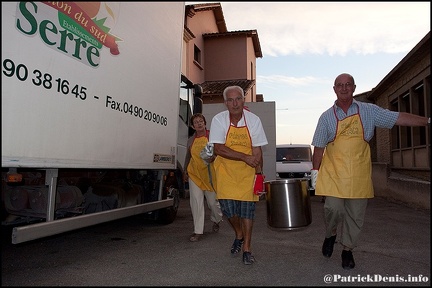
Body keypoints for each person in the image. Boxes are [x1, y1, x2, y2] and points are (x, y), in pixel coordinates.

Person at [311, 73, 429, 270]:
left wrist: (427, 121)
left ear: (354, 87)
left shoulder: (369, 111)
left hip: (359, 173)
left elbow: (397, 117)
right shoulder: (326, 117)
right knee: (333, 208)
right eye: (340, 85)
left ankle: (347, 250)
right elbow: (319, 148)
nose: (344, 88)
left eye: (348, 84)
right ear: (334, 89)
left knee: (355, 215)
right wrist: (315, 173)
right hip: (333, 174)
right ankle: (330, 234)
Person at [209, 85, 268, 265]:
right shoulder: (219, 120)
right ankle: (239, 233)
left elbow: (257, 150)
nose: (235, 103)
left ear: (244, 100)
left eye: (238, 99)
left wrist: (259, 175)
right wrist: (244, 157)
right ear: (225, 103)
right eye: (231, 100)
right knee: (228, 210)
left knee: (247, 212)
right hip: (225, 172)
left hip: (247, 174)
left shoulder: (254, 120)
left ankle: (247, 248)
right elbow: (218, 148)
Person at [183, 113, 223, 242]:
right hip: (195, 174)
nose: (199, 124)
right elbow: (188, 156)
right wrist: (185, 171)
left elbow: (220, 152)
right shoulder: (190, 140)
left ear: (205, 123)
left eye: (201, 121)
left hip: (210, 175)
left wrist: (214, 158)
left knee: (212, 203)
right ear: (193, 126)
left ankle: (216, 219)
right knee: (196, 202)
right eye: (196, 122)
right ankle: (198, 231)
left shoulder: (212, 136)